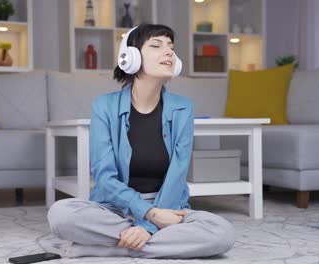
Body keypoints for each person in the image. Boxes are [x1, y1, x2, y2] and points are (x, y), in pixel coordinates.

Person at [47, 23, 235, 259]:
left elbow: (178, 174)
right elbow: (105, 177)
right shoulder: (104, 106)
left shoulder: (183, 108)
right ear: (130, 57)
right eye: (156, 45)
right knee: (61, 214)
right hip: (114, 207)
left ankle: (103, 248)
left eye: (171, 47)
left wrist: (149, 225)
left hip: (168, 208)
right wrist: (149, 214)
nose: (168, 52)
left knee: (222, 233)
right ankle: (146, 244)